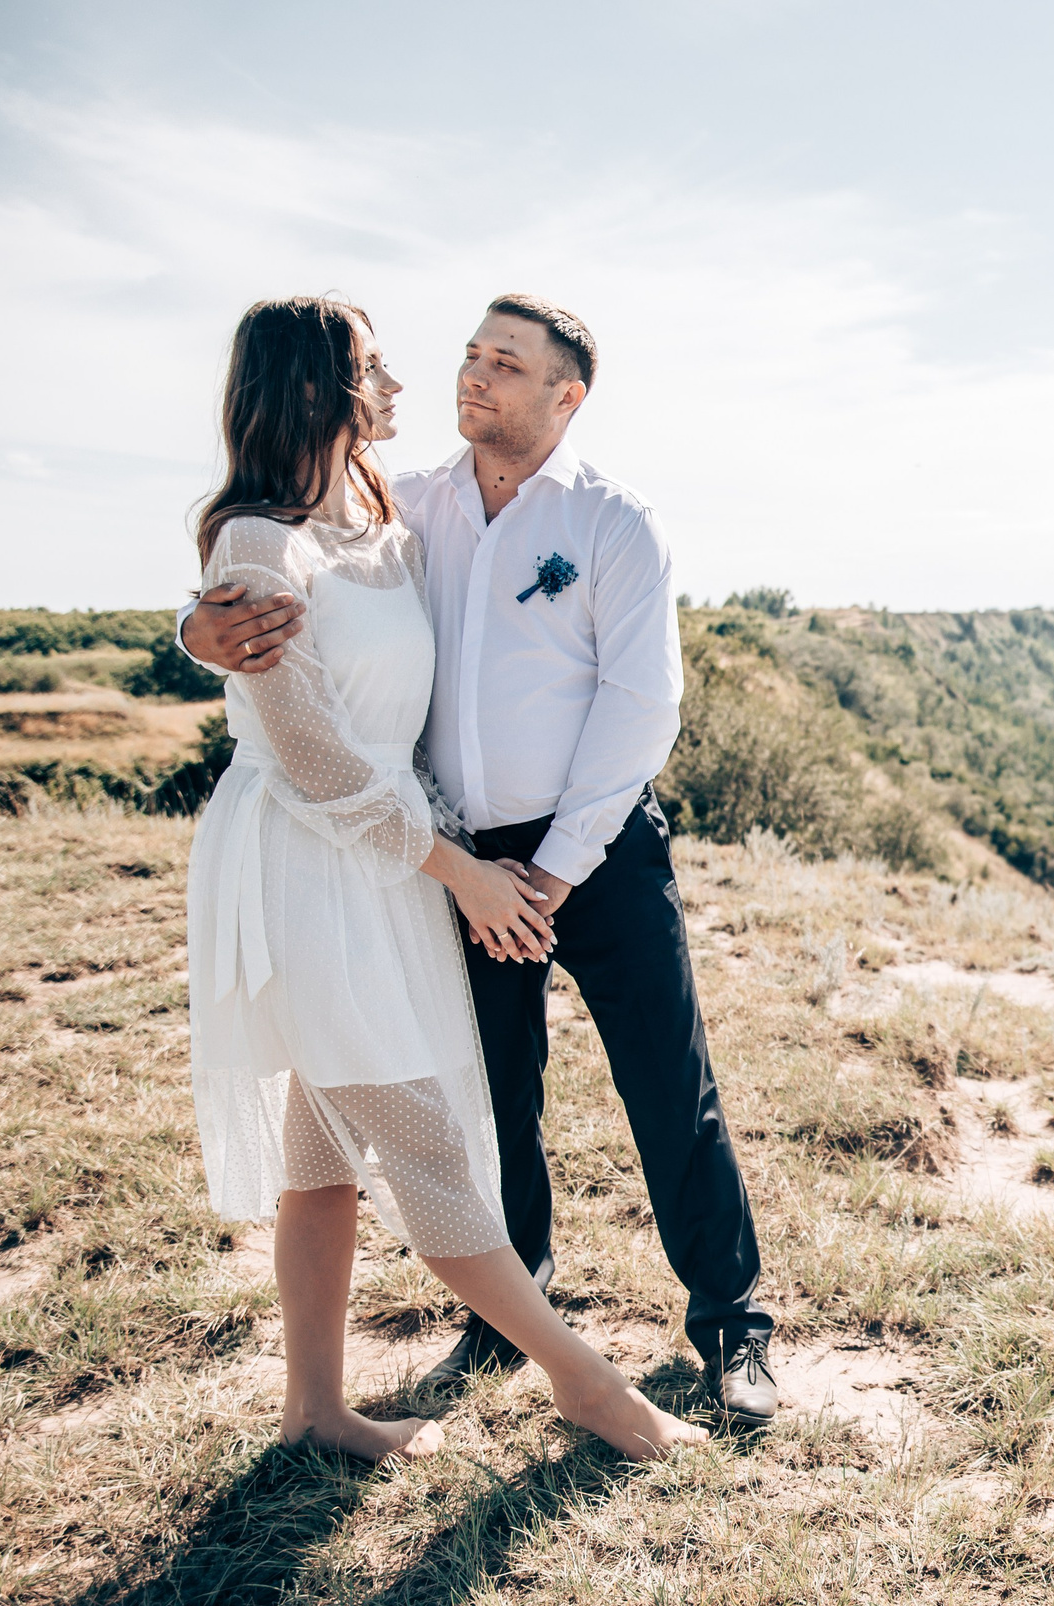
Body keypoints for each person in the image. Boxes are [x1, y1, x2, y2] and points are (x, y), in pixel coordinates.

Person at [181, 295, 780, 1427]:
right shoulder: (407, 504)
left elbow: (642, 706)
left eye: (506, 363)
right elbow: (276, 563)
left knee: (668, 1087)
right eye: (470, 354)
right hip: (444, 854)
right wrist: (194, 627)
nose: (472, 376)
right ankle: (510, 1318)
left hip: (589, 849)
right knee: (489, 1096)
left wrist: (550, 872)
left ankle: (731, 1328)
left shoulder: (613, 521)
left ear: (566, 395)